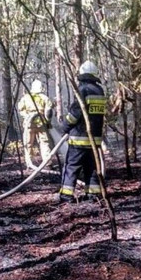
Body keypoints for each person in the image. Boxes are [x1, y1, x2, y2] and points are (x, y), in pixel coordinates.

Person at [59, 60, 106, 203]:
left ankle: (66, 195)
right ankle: (93, 195)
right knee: (91, 168)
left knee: (72, 167)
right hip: (94, 141)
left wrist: (65, 127)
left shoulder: (83, 90)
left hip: (79, 140)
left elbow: (75, 114)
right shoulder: (100, 91)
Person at [18, 79, 53, 169]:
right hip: (42, 124)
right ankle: (47, 163)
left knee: (28, 144)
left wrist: (27, 116)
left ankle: (29, 164)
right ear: (41, 88)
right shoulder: (45, 98)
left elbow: (20, 109)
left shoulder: (26, 97)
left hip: (29, 125)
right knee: (44, 143)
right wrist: (48, 122)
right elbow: (48, 113)